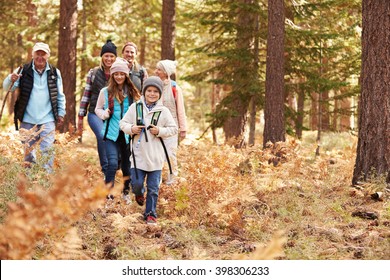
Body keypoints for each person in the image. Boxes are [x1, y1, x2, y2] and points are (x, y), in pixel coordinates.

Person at [120, 76, 177, 224]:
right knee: (137, 185)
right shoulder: (136, 108)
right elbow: (123, 123)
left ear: (160, 94)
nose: (152, 94)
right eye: (149, 91)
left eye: (155, 91)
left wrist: (159, 131)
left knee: (153, 188)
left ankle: (150, 214)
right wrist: (131, 129)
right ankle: (139, 194)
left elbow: (173, 129)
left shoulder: (163, 111)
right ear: (144, 92)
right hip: (138, 156)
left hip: (156, 157)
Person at [2, 42, 66, 172]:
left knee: (47, 154)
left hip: (47, 119)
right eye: (38, 54)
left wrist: (61, 113)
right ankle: (29, 185)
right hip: (27, 120)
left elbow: (60, 94)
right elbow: (8, 88)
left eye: (43, 54)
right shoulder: (23, 70)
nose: (40, 57)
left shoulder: (54, 72)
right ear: (33, 54)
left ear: (48, 55)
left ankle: (46, 184)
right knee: (29, 156)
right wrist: (11, 78)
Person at [95, 58, 141, 204]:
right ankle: (108, 195)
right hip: (111, 134)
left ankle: (126, 192)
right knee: (112, 164)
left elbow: (139, 109)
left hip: (127, 135)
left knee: (127, 166)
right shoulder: (106, 92)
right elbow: (97, 109)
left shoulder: (133, 92)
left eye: (122, 74)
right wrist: (104, 114)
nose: (119, 77)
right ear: (112, 75)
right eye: (116, 74)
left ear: (126, 75)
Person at [78, 40, 117, 175]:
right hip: (95, 113)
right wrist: (80, 116)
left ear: (115, 58)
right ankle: (106, 169)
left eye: (112, 56)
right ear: (102, 57)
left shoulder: (119, 73)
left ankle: (114, 165)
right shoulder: (93, 73)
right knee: (102, 135)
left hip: (113, 114)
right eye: (106, 55)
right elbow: (86, 95)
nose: (109, 59)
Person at [154, 59, 187, 185]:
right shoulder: (153, 85)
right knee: (156, 155)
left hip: (171, 126)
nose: (156, 71)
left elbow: (180, 109)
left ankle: (172, 181)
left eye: (159, 69)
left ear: (166, 72)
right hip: (155, 126)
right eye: (156, 69)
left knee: (171, 155)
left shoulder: (175, 88)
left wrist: (183, 128)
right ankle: (155, 181)